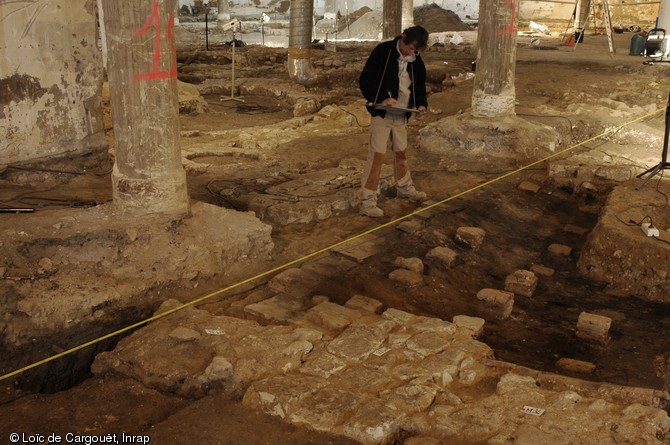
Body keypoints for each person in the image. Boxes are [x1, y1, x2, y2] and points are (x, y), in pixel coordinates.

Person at [358, 25, 429, 218]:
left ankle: (405, 188)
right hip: (382, 113)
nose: (411, 54)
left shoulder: (416, 60)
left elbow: (419, 86)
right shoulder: (384, 51)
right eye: (410, 49)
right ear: (403, 38)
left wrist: (421, 105)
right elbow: (366, 79)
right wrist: (381, 98)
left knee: (401, 154)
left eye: (416, 51)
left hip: (401, 114)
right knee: (377, 156)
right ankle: (368, 201)